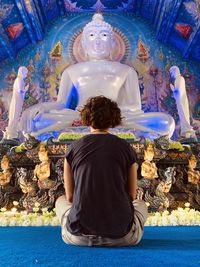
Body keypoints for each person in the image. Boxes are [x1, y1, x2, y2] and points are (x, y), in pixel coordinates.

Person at [19, 14, 175, 138]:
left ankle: (97, 125)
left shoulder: (126, 71)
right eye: (92, 36)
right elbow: (61, 104)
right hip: (79, 117)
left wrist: (107, 114)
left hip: (117, 118)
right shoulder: (72, 71)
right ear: (84, 44)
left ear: (113, 43)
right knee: (37, 122)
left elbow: (135, 106)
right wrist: (40, 107)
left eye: (104, 36)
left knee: (166, 122)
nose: (98, 41)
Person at [55, 96, 148, 247]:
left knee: (61, 201)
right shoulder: (126, 148)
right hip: (123, 237)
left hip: (79, 237)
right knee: (141, 204)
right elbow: (131, 195)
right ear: (114, 118)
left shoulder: (73, 148)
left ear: (86, 118)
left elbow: (70, 197)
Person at [169, 66, 196, 139]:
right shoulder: (177, 79)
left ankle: (187, 129)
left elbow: (178, 91)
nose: (171, 74)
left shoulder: (180, 79)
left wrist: (173, 89)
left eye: (171, 72)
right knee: (182, 115)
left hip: (182, 101)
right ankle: (185, 130)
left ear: (175, 71)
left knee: (184, 114)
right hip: (179, 101)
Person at [5, 66, 29, 140]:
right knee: (14, 115)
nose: (26, 75)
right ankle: (11, 133)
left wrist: (24, 90)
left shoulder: (21, 80)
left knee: (16, 116)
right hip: (16, 101)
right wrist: (25, 89)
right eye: (25, 73)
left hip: (19, 101)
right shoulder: (19, 80)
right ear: (21, 72)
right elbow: (20, 90)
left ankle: (12, 132)